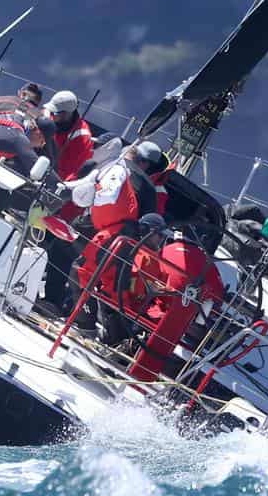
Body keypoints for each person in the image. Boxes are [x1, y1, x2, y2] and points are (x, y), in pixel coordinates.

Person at [127, 222, 225, 381]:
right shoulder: (206, 262)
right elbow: (217, 296)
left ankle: (129, 346)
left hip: (154, 313)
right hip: (184, 325)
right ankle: (177, 369)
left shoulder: (165, 251)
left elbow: (150, 277)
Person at [71, 141, 164, 293]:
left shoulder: (111, 164)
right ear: (146, 164)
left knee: (75, 260)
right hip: (117, 238)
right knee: (104, 280)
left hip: (89, 224)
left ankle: (55, 300)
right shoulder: (148, 187)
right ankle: (78, 310)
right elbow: (147, 222)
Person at [46, 90, 94, 181]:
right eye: (50, 111)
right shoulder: (52, 116)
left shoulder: (81, 138)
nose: (51, 115)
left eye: (54, 112)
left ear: (66, 114)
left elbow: (67, 172)